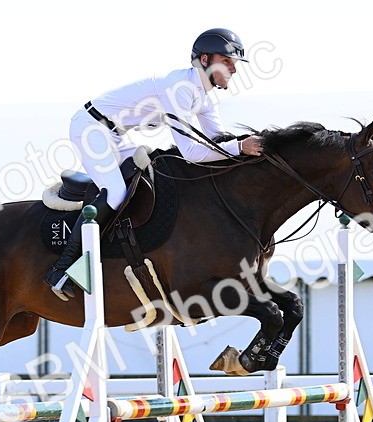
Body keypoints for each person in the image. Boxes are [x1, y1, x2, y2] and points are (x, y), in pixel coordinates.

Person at [45, 27, 266, 300]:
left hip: (115, 135)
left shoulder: (205, 98)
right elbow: (192, 153)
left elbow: (216, 139)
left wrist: (247, 148)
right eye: (228, 61)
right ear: (206, 60)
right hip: (92, 128)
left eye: (234, 63)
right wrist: (239, 148)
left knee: (151, 179)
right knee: (116, 193)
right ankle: (62, 268)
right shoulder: (179, 88)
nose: (234, 69)